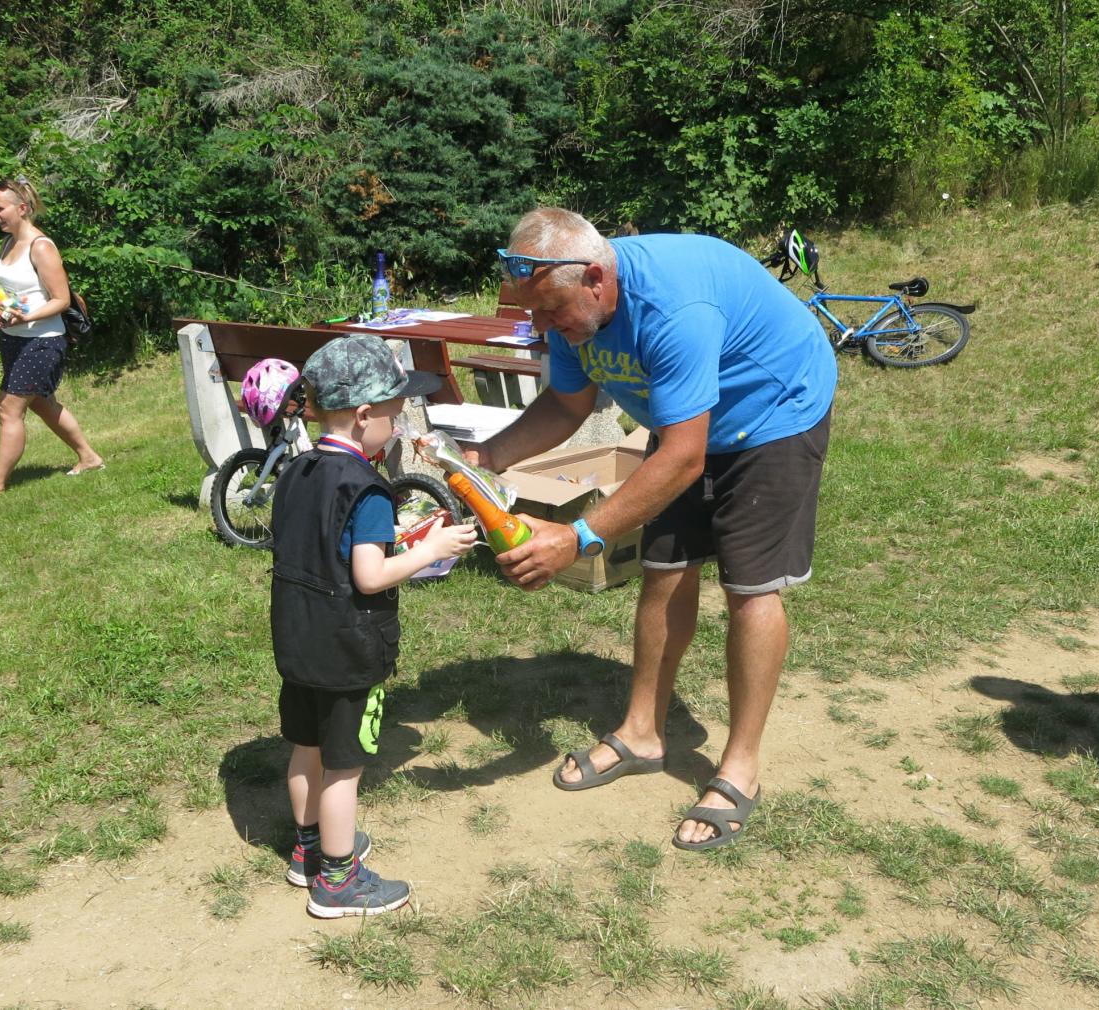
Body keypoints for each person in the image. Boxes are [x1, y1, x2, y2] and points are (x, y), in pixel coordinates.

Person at [465, 207, 837, 851]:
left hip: (774, 411)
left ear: (597, 280)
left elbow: (683, 458)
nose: (542, 327)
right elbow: (567, 405)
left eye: (550, 312)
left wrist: (576, 538)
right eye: (533, 313)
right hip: (685, 425)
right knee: (665, 568)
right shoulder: (567, 305)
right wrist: (487, 458)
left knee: (750, 588)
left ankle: (740, 767)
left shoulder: (673, 308)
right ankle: (642, 733)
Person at [271, 334, 477, 917]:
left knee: (306, 749)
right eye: (395, 413)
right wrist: (431, 548)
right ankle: (338, 881)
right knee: (344, 767)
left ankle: (308, 851)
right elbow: (369, 576)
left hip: (298, 640)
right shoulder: (368, 490)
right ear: (364, 416)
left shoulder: (296, 470)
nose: (399, 424)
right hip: (347, 650)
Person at [0, 175, 104, 499]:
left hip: (42, 340)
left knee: (8, 408)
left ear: (22, 208)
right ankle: (89, 458)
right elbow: (6, 298)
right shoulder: (9, 242)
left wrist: (26, 317)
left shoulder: (41, 247)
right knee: (42, 403)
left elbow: (61, 300)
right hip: (13, 338)